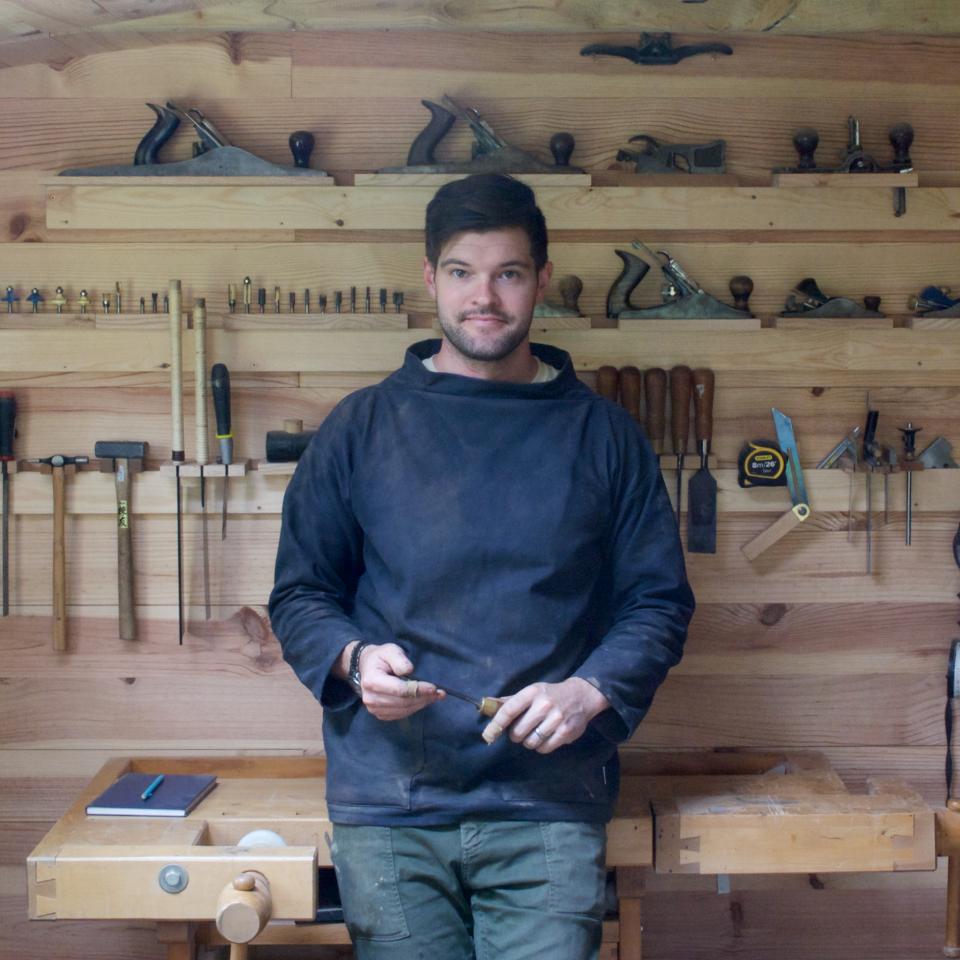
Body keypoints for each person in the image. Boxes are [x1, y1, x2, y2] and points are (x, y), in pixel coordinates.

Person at [268, 173, 694, 960]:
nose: (485, 298)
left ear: (541, 280)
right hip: (391, 801)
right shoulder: (361, 427)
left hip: (547, 803)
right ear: (431, 278)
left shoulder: (604, 436)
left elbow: (658, 603)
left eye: (508, 273)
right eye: (463, 272)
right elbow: (301, 594)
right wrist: (356, 660)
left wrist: (589, 690)